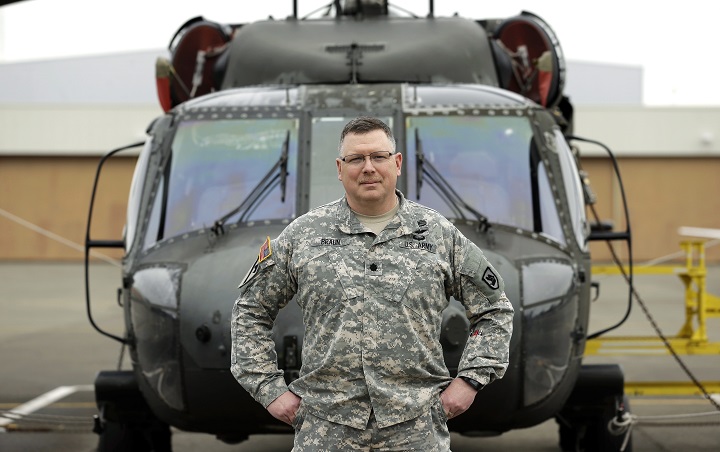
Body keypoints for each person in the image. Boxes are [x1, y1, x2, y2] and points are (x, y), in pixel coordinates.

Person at [231, 116, 514, 451]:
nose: (368, 168)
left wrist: (469, 381)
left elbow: (495, 310)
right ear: (340, 168)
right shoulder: (304, 235)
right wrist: (270, 390)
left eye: (378, 157)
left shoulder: (438, 235)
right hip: (326, 428)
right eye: (356, 159)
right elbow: (250, 311)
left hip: (416, 427)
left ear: (396, 163)